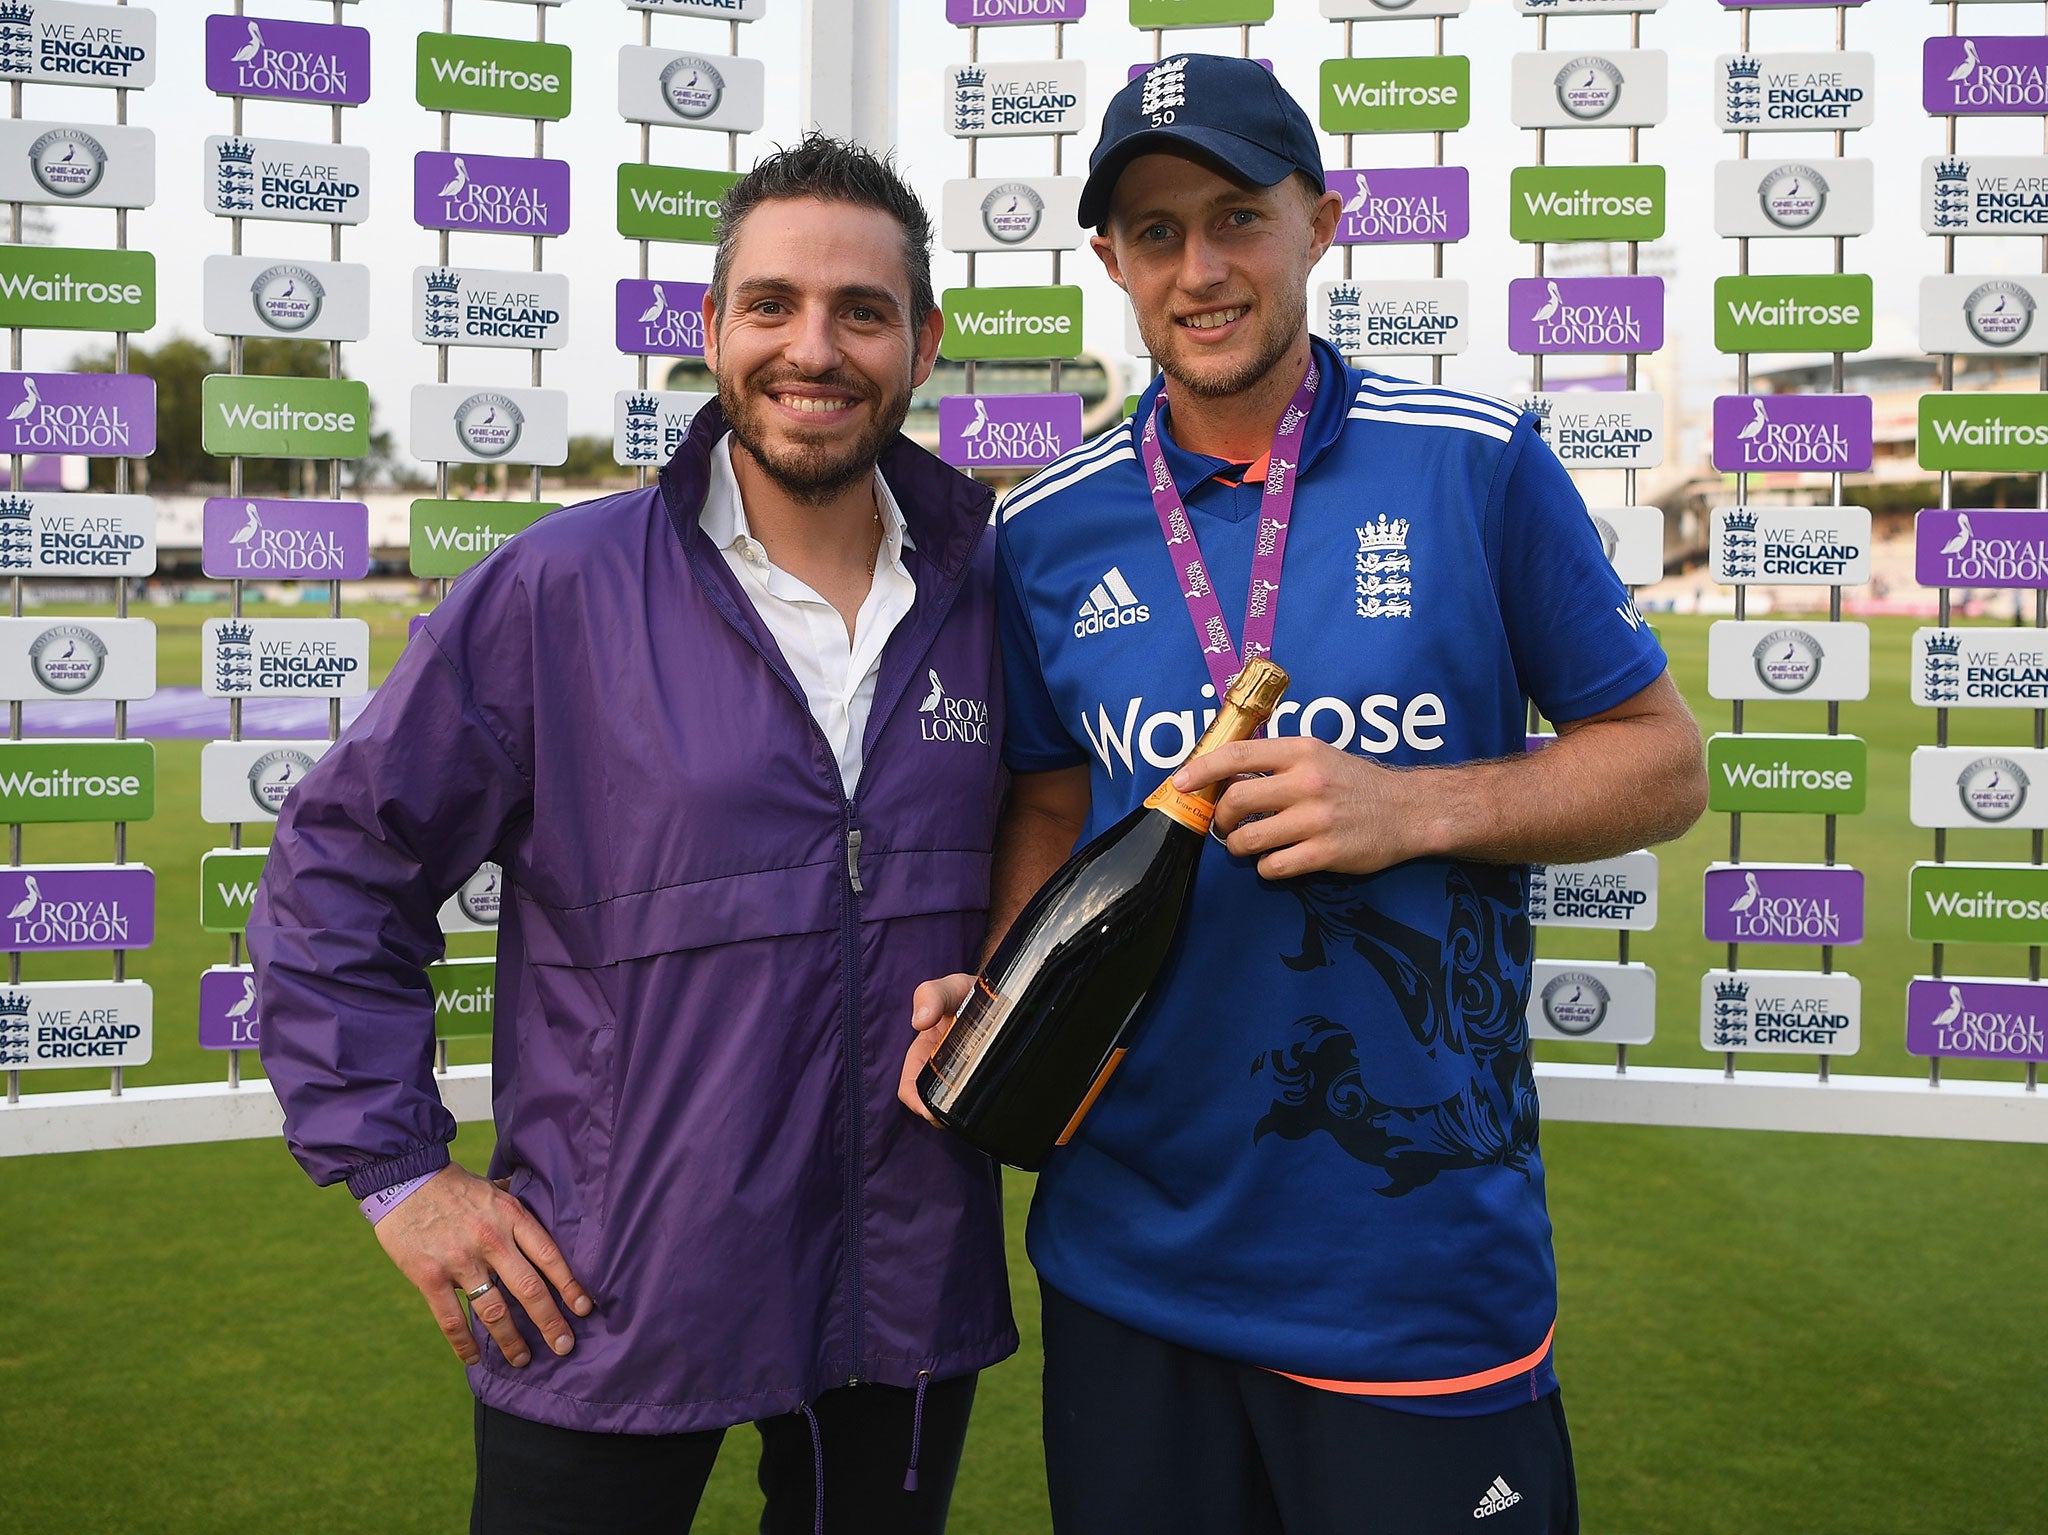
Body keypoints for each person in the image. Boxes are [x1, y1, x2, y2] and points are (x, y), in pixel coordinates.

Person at [901, 56, 1706, 1535]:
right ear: (1108, 263)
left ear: (1321, 223)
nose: (1199, 270)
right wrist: (1013, 986)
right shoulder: (1047, 525)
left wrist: (1418, 809)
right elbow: (1042, 796)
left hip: (1412, 1272)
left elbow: (1662, 763)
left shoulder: (1474, 465)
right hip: (1128, 1257)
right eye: (1154, 233)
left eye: (1236, 218)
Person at [251, 134, 1015, 1535]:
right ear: (713, 331)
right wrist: (398, 1174)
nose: (816, 348)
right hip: (604, 1288)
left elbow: (1056, 843)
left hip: (904, 1274)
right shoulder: (559, 588)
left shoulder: (990, 591)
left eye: (863, 310)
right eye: (773, 305)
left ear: (925, 344)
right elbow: (338, 868)